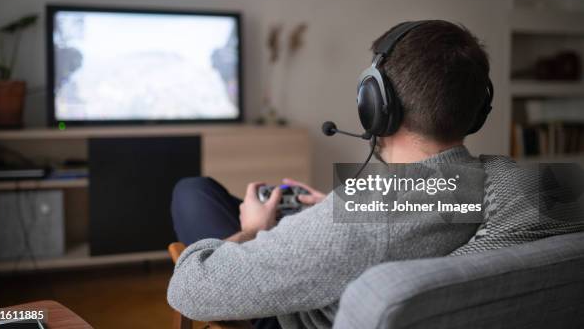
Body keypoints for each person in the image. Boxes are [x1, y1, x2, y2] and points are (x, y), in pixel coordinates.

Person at [166, 21, 509, 328]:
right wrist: (332, 208)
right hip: (357, 261)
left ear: (375, 104)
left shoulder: (362, 223)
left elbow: (188, 290)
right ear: (477, 112)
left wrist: (252, 230)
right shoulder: (499, 184)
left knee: (192, 191)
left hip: (288, 315)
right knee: (219, 195)